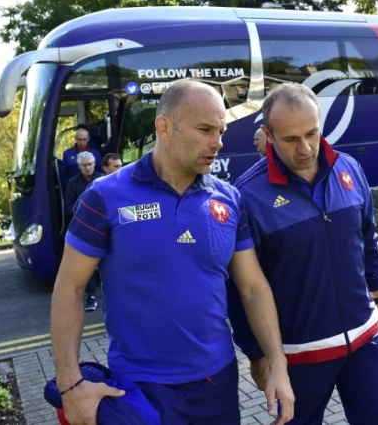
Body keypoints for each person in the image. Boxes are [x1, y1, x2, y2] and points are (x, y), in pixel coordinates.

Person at [49, 79, 294, 425]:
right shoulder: (104, 197)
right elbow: (70, 288)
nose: (218, 142)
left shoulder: (228, 199)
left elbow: (252, 286)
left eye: (221, 130)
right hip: (142, 387)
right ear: (164, 126)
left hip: (218, 382)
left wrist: (277, 366)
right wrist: (70, 384)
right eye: (206, 129)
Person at [228, 83, 378, 424]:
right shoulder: (247, 197)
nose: (305, 148)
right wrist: (257, 352)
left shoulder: (349, 168)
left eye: (312, 133)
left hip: (366, 342)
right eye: (291, 139)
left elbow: (367, 240)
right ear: (268, 134)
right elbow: (239, 288)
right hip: (298, 358)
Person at [63, 151, 104, 312]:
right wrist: (84, 213)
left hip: (103, 225)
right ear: (79, 167)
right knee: (88, 264)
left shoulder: (102, 178)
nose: (88, 168)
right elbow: (67, 206)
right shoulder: (73, 183)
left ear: (94, 164)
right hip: (86, 226)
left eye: (90, 165)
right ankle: (91, 297)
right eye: (84, 165)